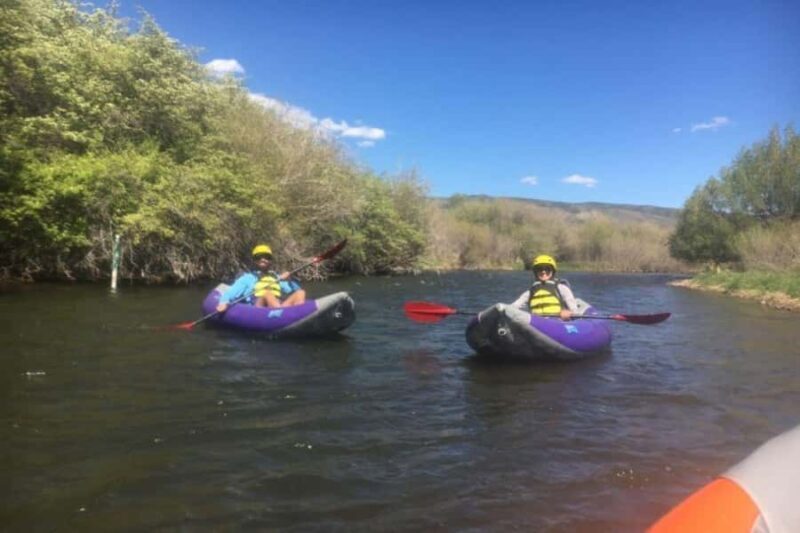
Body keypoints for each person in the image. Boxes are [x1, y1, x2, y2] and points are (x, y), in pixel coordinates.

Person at [215, 244, 307, 313]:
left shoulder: (276, 278)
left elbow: (295, 290)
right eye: (259, 257)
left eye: (266, 257)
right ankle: (281, 315)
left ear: (270, 260)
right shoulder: (248, 278)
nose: (263, 259)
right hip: (258, 308)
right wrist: (223, 302)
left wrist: (289, 280)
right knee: (267, 293)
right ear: (255, 260)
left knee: (300, 293)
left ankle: (299, 315)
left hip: (277, 306)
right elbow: (231, 292)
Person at [510, 254, 579, 320]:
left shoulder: (561, 288)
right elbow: (514, 306)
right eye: (540, 269)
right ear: (535, 272)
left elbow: (575, 312)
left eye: (547, 269)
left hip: (558, 322)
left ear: (553, 271)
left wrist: (569, 313)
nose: (543, 272)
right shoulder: (530, 292)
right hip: (536, 325)